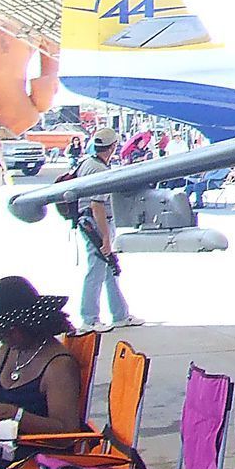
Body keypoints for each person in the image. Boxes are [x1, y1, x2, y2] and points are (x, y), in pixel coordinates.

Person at [0, 276, 84, 457]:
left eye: (10, 329)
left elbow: (67, 434)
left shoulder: (59, 365)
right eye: (1, 329)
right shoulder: (6, 351)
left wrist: (14, 415)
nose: (4, 335)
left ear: (30, 323)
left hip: (34, 459)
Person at [73, 128, 140, 334]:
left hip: (87, 220)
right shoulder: (100, 171)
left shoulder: (86, 163)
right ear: (112, 147)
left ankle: (119, 314)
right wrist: (105, 238)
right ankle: (89, 318)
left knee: (110, 269)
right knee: (97, 269)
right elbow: (97, 205)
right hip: (96, 222)